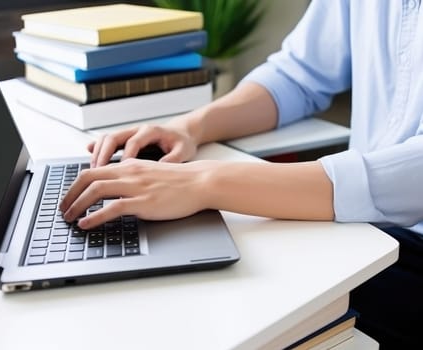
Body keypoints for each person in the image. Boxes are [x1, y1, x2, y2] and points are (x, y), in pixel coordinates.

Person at [59, 1, 423, 347]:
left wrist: (204, 182)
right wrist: (191, 127)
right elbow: (298, 75)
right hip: (366, 225)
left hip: (407, 244)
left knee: (241, 303)